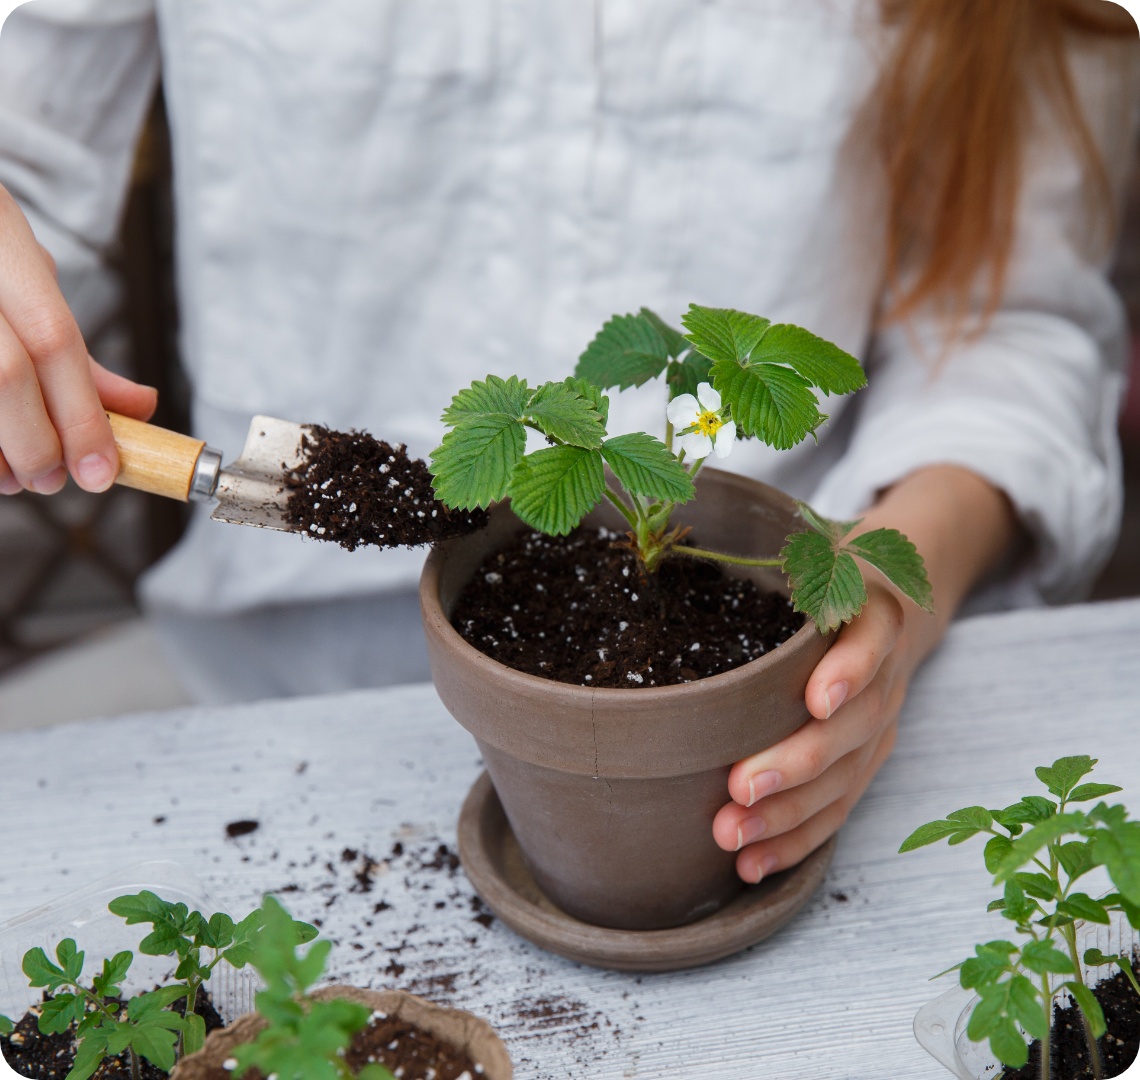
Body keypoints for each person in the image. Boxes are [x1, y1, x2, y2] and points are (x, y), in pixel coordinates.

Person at [0, 0, 1136, 886]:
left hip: (764, 705)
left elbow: (1011, 327)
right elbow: (26, 158)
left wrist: (885, 594)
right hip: (277, 691)